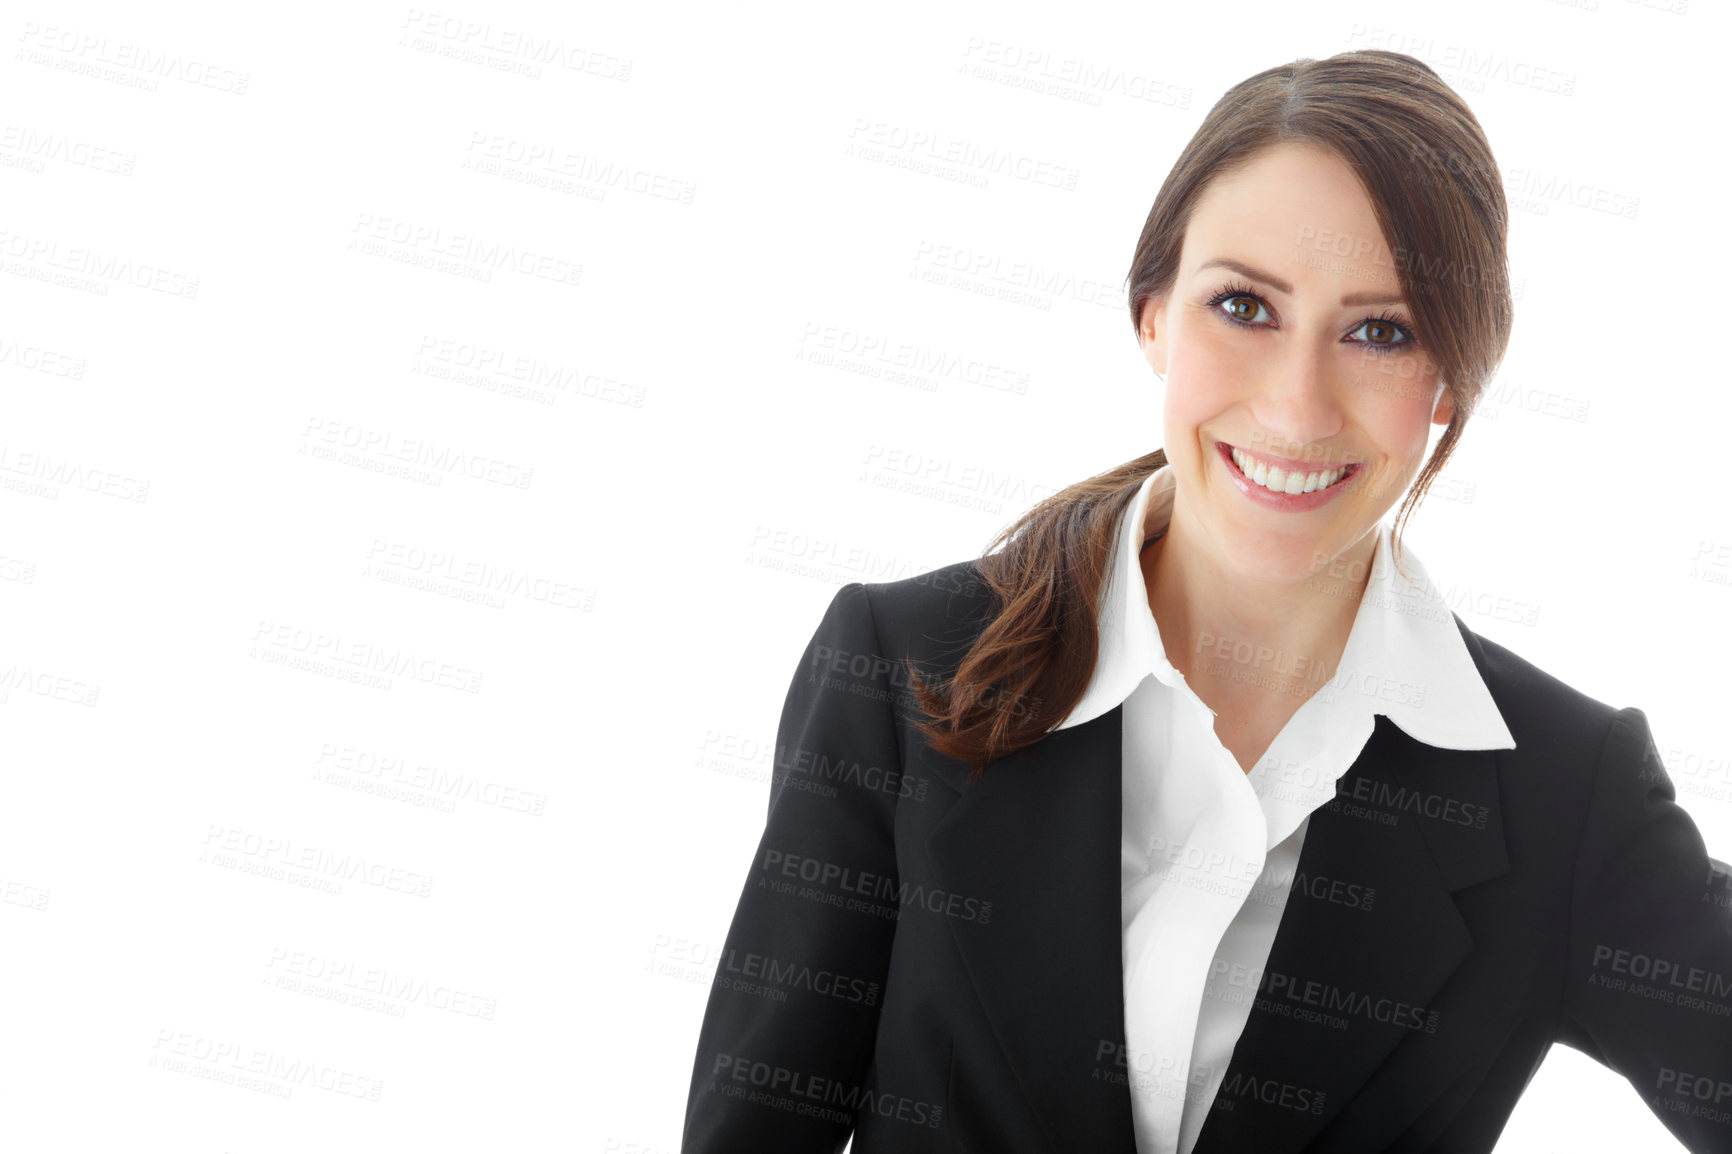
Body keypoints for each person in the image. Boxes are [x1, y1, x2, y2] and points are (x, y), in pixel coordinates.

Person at [681, 49, 1732, 1153]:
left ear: (1451, 380)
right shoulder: (897, 667)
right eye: (1243, 305)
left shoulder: (1563, 792)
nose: (1295, 405)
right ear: (1152, 317)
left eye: (1381, 330)